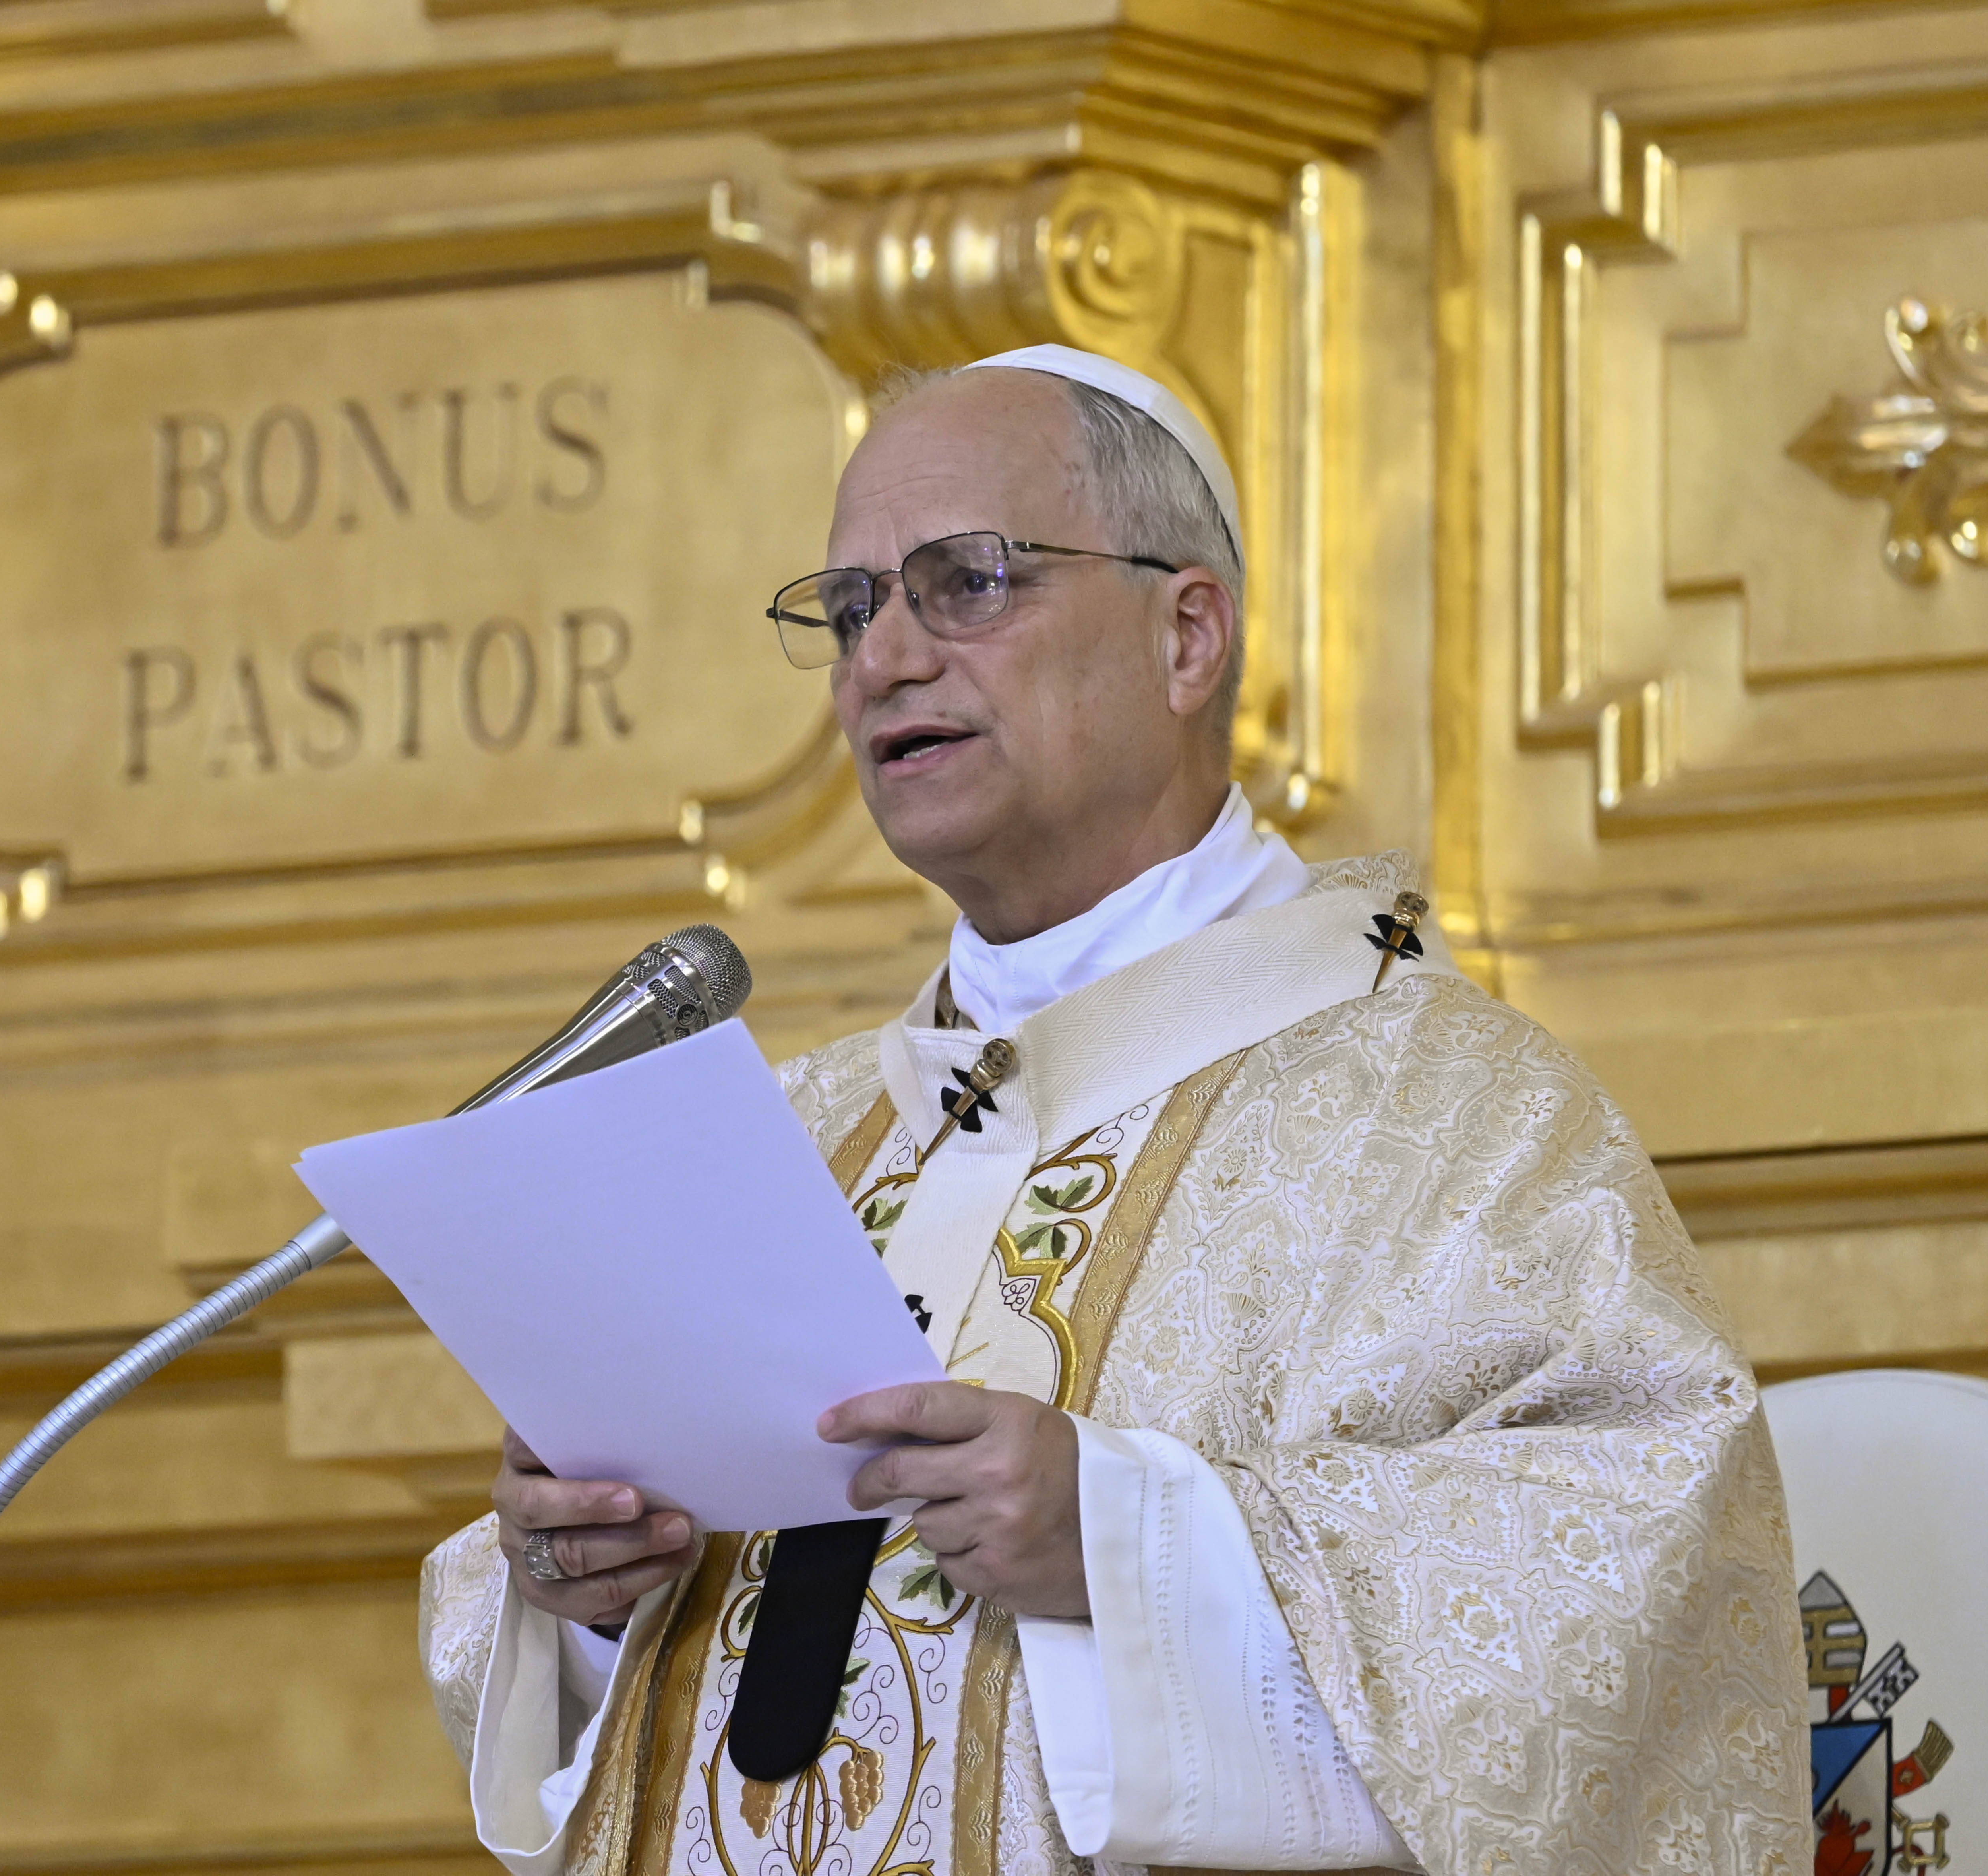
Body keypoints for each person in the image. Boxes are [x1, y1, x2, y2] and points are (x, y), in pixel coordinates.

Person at [418, 345, 1808, 1875]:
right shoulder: (792, 1138)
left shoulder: (1449, 1116)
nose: (884, 657)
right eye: (853, 606)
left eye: (968, 582)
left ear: (1187, 633)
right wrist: (594, 1601)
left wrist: (1132, 1544)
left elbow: (1635, 1594)